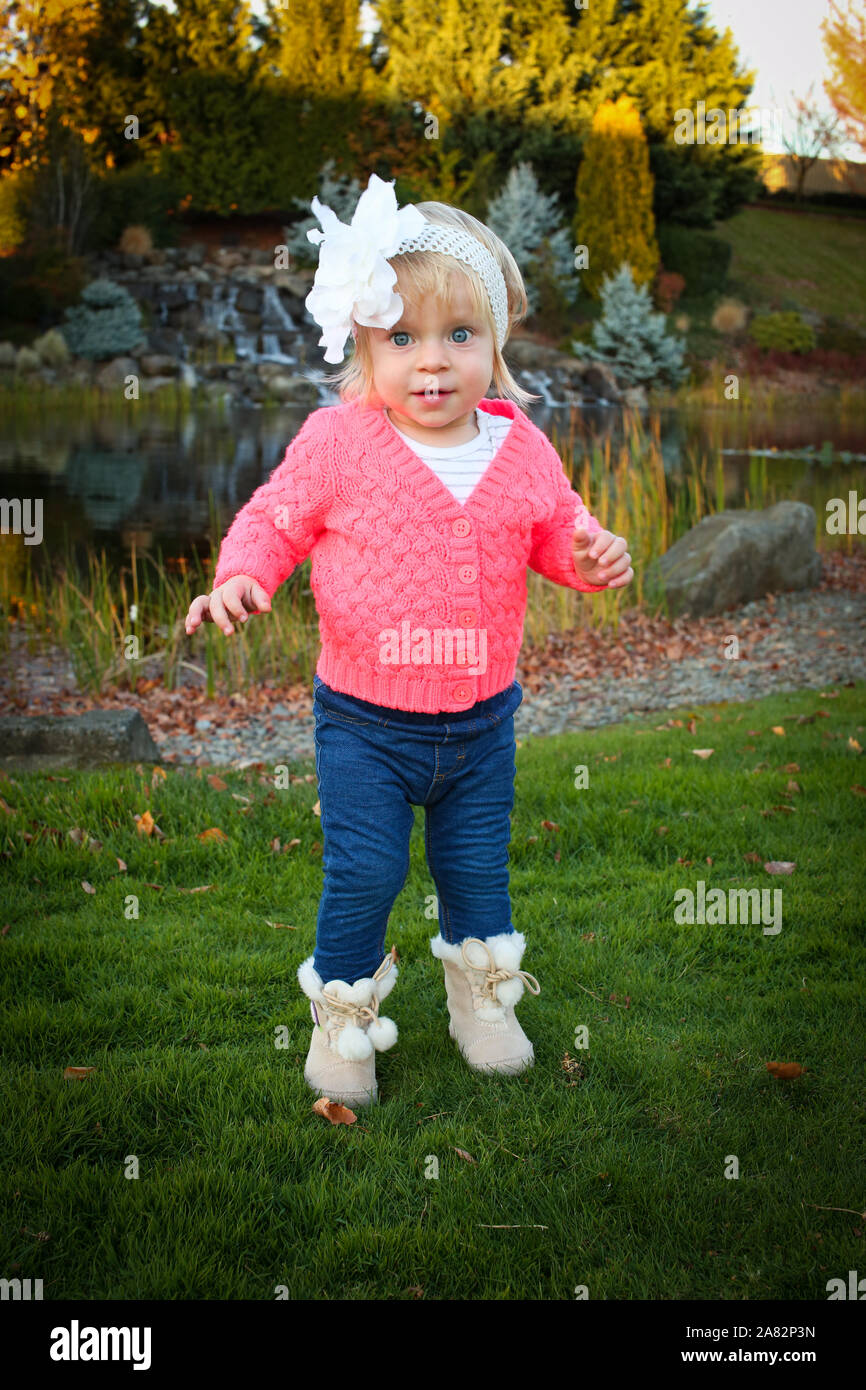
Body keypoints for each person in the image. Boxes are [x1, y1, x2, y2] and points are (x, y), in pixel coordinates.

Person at [184, 173, 634, 1108]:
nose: (432, 364)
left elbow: (555, 531)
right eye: (404, 339)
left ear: (494, 347)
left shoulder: (521, 446)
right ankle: (345, 1019)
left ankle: (480, 998)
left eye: (459, 337)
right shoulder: (339, 441)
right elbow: (277, 519)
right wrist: (245, 575)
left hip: (482, 722)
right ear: (365, 346)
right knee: (368, 870)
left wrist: (588, 557)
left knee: (476, 865)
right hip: (363, 722)